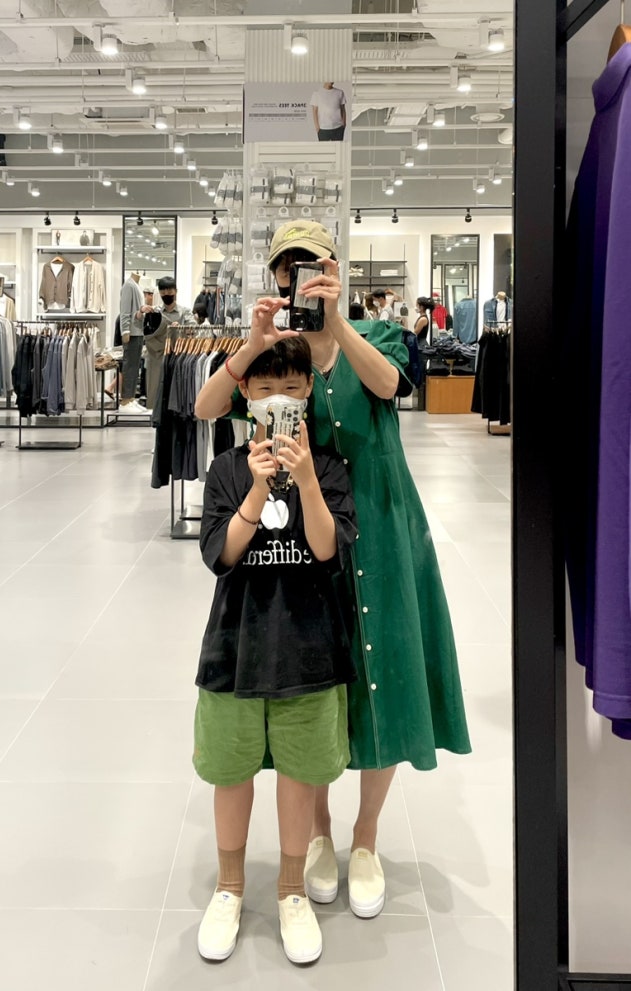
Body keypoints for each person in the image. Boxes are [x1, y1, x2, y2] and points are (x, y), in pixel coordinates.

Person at [194, 218, 470, 922]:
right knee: (318, 677)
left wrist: (339, 322)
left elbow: (390, 385)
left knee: (386, 673)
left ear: (334, 269)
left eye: (312, 263)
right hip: (310, 535)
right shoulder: (277, 349)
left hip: (381, 523)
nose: (300, 277)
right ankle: (316, 830)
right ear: (276, 277)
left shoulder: (374, 334)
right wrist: (253, 343)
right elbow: (208, 408)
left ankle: (366, 836)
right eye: (287, 267)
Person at [194, 336, 358, 964]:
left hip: (308, 649)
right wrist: (258, 491)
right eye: (264, 391)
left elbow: (326, 549)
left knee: (299, 772)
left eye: (290, 388)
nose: (278, 400)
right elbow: (221, 555)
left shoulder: (331, 467)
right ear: (245, 396)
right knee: (230, 771)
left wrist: (307, 480)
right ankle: (229, 887)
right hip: (233, 647)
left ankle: (292, 890)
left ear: (308, 391)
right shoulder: (226, 469)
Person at [143, 276, 196, 411]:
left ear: (175, 291)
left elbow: (193, 328)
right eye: (163, 292)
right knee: (156, 392)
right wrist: (140, 311)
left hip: (178, 356)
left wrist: (181, 328)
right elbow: (142, 328)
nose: (166, 295)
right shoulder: (155, 313)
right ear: (159, 293)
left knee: (176, 392)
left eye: (170, 292)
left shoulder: (184, 312)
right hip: (157, 357)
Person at [118, 271, 150, 413]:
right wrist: (125, 330)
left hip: (138, 331)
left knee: (134, 366)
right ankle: (125, 401)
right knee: (129, 366)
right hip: (131, 332)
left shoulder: (136, 285)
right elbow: (125, 310)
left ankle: (130, 398)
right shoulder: (128, 286)